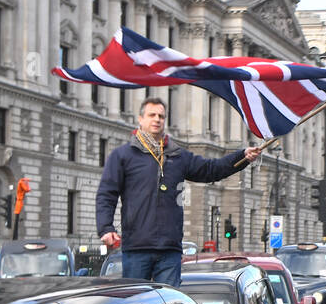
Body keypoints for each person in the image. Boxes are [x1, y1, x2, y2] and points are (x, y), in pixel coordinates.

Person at [96, 97, 263, 287]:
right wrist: (106, 228)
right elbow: (107, 193)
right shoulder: (123, 155)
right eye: (152, 115)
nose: (157, 119)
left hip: (170, 249)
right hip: (137, 247)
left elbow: (211, 169)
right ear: (140, 119)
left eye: (161, 116)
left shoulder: (178, 156)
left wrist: (242, 157)